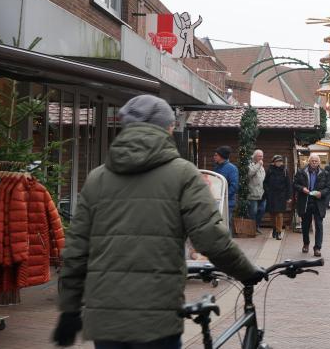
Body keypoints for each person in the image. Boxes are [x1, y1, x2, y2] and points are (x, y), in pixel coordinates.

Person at [53, 95, 264, 349]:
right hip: (157, 317)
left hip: (106, 319)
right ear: (167, 128)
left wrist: (69, 309)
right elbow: (211, 237)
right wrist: (246, 272)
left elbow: (77, 249)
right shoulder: (183, 174)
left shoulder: (97, 178)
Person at [293, 153, 330, 257]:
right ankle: (306, 243)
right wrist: (302, 189)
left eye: (316, 161)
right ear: (309, 161)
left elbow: (328, 188)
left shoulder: (324, 173)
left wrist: (321, 193)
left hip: (318, 202)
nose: (314, 163)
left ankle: (317, 248)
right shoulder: (301, 172)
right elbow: (295, 184)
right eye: (312, 161)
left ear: (319, 162)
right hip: (306, 201)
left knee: (319, 225)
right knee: (305, 225)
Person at [212, 145, 239, 236]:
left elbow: (234, 186)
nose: (214, 157)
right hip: (216, 201)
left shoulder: (232, 168)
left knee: (226, 225)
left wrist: (224, 196)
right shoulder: (216, 167)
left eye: (216, 155)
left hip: (227, 203)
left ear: (221, 156)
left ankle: (228, 245)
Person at [264, 155, 291, 240]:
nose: (279, 163)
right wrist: (267, 191)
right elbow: (265, 183)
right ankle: (274, 228)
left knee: (279, 214)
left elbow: (288, 185)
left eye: (280, 161)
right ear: (274, 162)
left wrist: (288, 196)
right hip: (271, 195)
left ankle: (279, 232)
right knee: (272, 214)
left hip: (281, 196)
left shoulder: (285, 171)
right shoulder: (270, 171)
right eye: (277, 161)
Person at [248, 149, 266, 234]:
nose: (261, 157)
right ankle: (252, 228)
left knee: (262, 210)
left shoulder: (261, 165)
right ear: (254, 156)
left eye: (262, 156)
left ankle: (257, 226)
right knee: (253, 212)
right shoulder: (251, 164)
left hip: (261, 193)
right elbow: (250, 173)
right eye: (259, 156)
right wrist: (258, 164)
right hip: (252, 192)